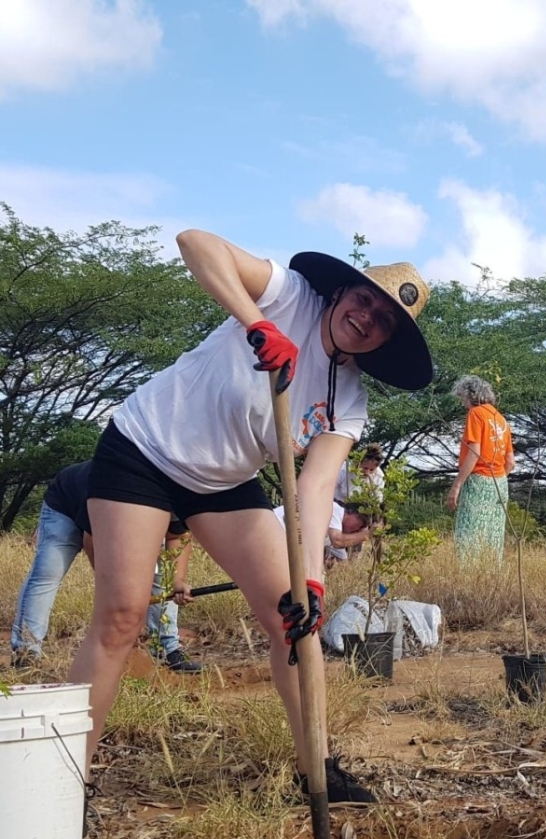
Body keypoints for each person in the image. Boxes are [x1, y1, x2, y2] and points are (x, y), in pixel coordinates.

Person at [67, 229, 433, 804]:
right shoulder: (288, 296)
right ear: (340, 293)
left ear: (386, 341)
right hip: (144, 451)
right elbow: (195, 243)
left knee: (297, 617)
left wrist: (311, 578)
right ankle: (67, 782)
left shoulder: (350, 400)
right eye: (364, 300)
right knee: (121, 616)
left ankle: (316, 768)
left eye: (384, 319)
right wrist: (256, 322)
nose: (367, 317)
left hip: (223, 483)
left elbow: (314, 490)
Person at [10, 460, 201, 673]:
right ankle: (26, 654)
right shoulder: (112, 492)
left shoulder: (172, 492)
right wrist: (116, 592)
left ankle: (168, 650)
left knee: (161, 576)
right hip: (65, 506)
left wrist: (177, 581)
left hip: (120, 518)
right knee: (47, 573)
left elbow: (178, 536)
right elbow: (93, 543)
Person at [447, 374, 514, 562]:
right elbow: (510, 461)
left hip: (478, 479)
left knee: (468, 534)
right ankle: (491, 577)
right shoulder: (501, 419)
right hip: (500, 483)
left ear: (471, 395)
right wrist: (496, 479)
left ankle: (468, 578)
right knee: (494, 536)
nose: (463, 403)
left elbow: (474, 452)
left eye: (463, 398)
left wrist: (457, 485)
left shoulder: (476, 414)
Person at [335, 442, 385, 508]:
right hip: (337, 503)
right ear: (358, 462)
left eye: (372, 469)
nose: (367, 472)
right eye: (365, 468)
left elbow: (378, 500)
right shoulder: (343, 469)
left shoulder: (379, 476)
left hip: (360, 509)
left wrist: (371, 480)